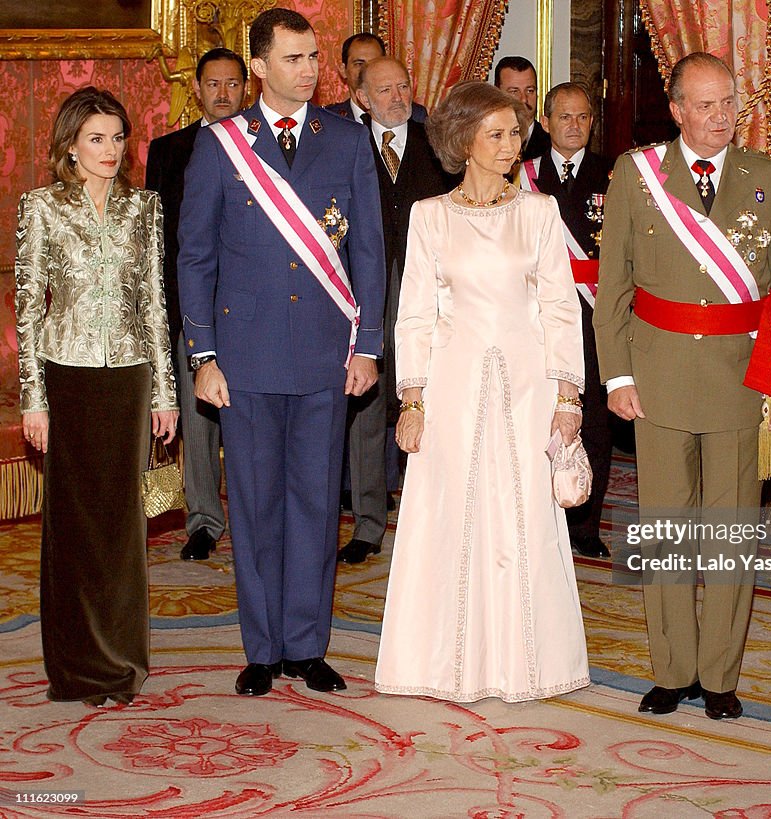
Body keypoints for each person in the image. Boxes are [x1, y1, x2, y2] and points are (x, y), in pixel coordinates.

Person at [593, 53, 771, 720]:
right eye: (706, 105)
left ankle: (718, 673)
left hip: (740, 385)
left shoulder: (766, 176)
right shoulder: (639, 175)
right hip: (655, 381)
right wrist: (618, 375)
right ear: (679, 110)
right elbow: (614, 288)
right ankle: (671, 668)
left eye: (729, 103)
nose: (721, 117)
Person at [177, 7, 386, 697]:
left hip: (327, 354)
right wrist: (203, 355)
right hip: (246, 357)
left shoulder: (346, 141)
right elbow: (196, 257)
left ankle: (307, 642)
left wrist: (369, 345)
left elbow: (369, 253)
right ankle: (262, 645)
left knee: (317, 501)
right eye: (294, 59)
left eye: (313, 56)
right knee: (257, 503)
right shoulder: (221, 145)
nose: (310, 69)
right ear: (259, 66)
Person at [375, 80, 590, 702]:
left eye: (515, 132)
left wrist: (567, 396)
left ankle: (530, 664)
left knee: (525, 513)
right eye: (495, 134)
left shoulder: (539, 212)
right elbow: (412, 314)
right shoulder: (430, 216)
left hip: (527, 387)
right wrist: (410, 401)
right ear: (462, 140)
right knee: (448, 515)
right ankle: (441, 664)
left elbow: (559, 309)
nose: (509, 145)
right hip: (452, 387)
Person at [16, 87, 179, 706]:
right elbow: (29, 311)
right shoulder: (43, 209)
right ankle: (77, 666)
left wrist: (165, 392)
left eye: (117, 138)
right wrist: (34, 400)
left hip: (132, 378)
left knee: (125, 525)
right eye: (96, 139)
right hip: (69, 379)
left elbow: (155, 307)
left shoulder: (146, 209)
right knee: (74, 526)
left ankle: (122, 661)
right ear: (70, 147)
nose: (110, 150)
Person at [337, 56, 454, 565]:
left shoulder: (439, 147)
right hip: (364, 291)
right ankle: (368, 522)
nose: (397, 97)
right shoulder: (343, 146)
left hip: (431, 291)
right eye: (383, 90)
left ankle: (433, 519)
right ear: (362, 97)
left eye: (403, 87)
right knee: (367, 407)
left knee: (430, 400)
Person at [146, 47, 248, 562]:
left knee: (252, 419)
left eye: (233, 83)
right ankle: (204, 519)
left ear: (246, 87)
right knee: (199, 416)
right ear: (198, 87)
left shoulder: (267, 146)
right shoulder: (167, 152)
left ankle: (255, 518)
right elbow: (158, 244)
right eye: (214, 84)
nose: (224, 94)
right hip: (194, 310)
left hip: (254, 310)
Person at [519, 81, 614, 559]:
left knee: (593, 422)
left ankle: (586, 524)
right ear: (547, 122)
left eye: (583, 118)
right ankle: (542, 518)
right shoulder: (523, 176)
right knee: (542, 418)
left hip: (597, 317)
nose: (574, 126)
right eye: (564, 117)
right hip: (540, 318)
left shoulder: (613, 175)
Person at [328, 33, 427, 124]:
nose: (366, 70)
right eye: (359, 64)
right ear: (343, 70)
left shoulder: (415, 115)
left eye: (375, 63)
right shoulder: (331, 119)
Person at [494, 55, 549, 161]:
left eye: (530, 90)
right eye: (514, 91)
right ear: (497, 93)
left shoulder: (553, 144)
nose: (524, 99)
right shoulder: (485, 142)